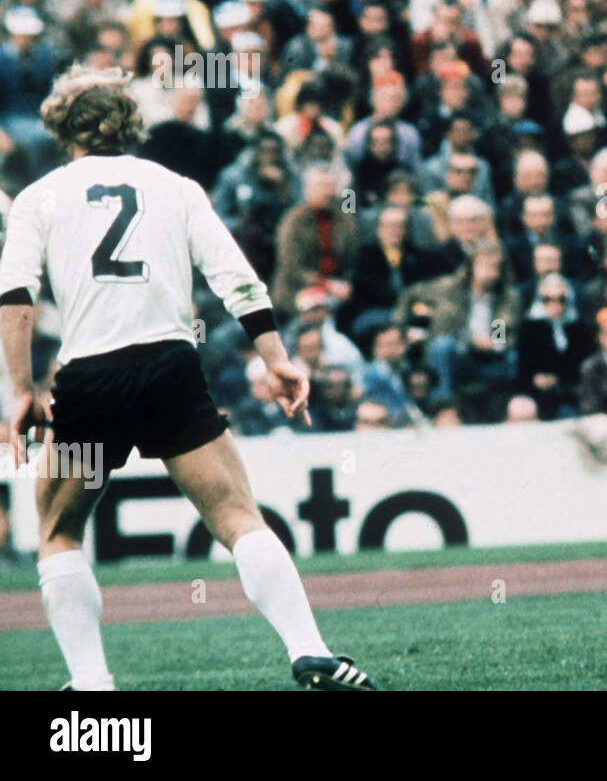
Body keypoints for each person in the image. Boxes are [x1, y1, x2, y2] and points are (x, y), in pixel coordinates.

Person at [0, 66, 376, 691]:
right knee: (235, 515)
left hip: (91, 381)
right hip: (169, 370)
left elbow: (14, 299)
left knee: (60, 530)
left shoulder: (40, 197)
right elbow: (238, 279)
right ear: (129, 122)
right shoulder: (176, 187)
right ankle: (311, 652)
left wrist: (20, 390)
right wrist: (277, 358)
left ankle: (94, 686)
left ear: (62, 126)